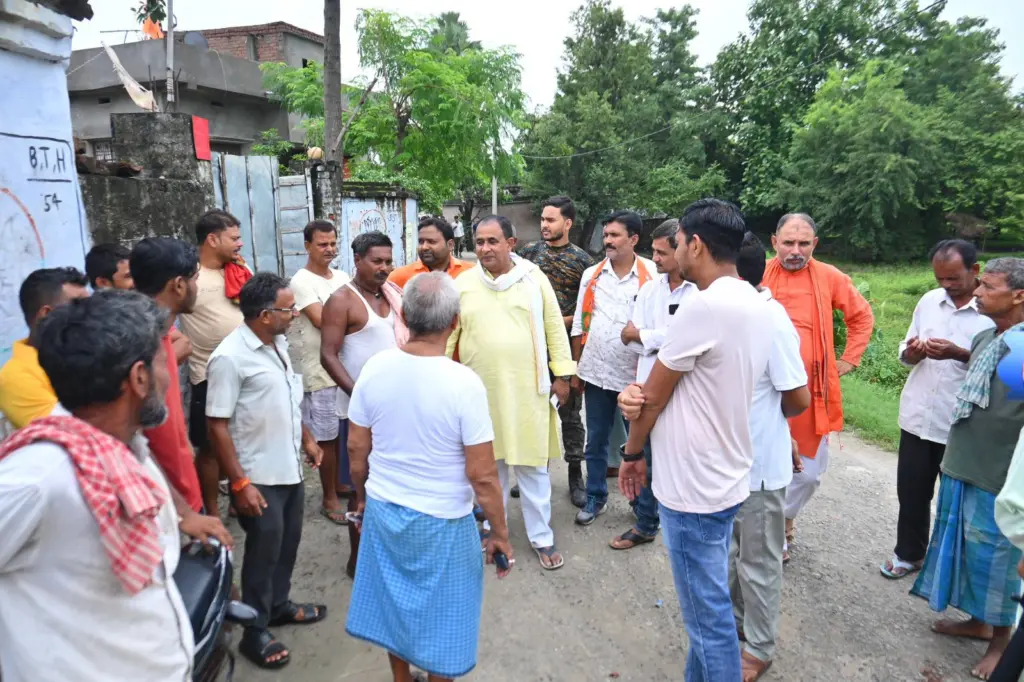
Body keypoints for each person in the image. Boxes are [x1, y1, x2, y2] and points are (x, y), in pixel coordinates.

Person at [0, 290, 230, 682]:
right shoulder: (38, 477)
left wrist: (182, 515)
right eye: (162, 360)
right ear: (139, 378)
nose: (169, 374)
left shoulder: (124, 445)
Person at [616, 199, 772, 682]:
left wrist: (632, 451)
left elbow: (653, 398)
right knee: (709, 608)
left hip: (692, 485)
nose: (674, 250)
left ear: (696, 244)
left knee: (708, 622)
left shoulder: (701, 306)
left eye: (678, 241)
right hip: (725, 473)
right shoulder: (754, 299)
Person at [346, 272, 514, 682]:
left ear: (403, 314)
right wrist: (500, 534)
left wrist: (363, 496)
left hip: (386, 510)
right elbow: (483, 475)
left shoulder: (375, 367)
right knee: (447, 612)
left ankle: (402, 678)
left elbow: (356, 448)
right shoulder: (464, 384)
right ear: (455, 322)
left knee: (394, 605)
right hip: (443, 520)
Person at [910, 257, 1024, 681]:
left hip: (997, 473)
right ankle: (978, 622)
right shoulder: (987, 337)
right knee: (969, 552)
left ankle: (1001, 640)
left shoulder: (1020, 351)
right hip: (963, 463)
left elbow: (1012, 414)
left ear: (1018, 295)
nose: (977, 292)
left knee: (997, 558)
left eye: (988, 287)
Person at [206, 272, 326, 670]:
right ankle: (253, 631)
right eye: (287, 309)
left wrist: (307, 438)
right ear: (263, 314)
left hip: (288, 466)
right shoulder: (229, 357)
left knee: (288, 542)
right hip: (258, 475)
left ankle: (278, 605)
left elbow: (288, 398)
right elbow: (217, 424)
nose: (294, 314)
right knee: (262, 552)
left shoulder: (276, 344)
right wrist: (239, 482)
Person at [448, 215, 575, 570]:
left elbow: (553, 327)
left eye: (492, 241)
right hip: (481, 390)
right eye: (479, 242)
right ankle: (492, 528)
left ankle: (541, 536)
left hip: (528, 391)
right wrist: (438, 373)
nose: (485, 248)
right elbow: (450, 333)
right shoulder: (463, 284)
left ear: (511, 243)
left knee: (532, 466)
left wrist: (563, 375)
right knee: (491, 465)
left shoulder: (534, 279)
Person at [763, 213, 874, 560]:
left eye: (803, 244)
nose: (796, 251)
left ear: (815, 245)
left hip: (811, 393)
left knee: (807, 474)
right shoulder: (759, 274)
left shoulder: (829, 277)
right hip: (765, 391)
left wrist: (850, 358)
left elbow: (861, 316)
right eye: (788, 243)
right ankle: (768, 534)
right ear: (774, 242)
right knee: (764, 464)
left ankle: (784, 519)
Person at [881, 240, 994, 580]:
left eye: (953, 278)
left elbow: (1002, 368)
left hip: (962, 422)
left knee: (959, 503)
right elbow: (905, 347)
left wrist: (959, 353)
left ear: (975, 271)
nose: (945, 285)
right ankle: (909, 554)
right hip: (918, 415)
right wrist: (912, 352)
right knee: (912, 492)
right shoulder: (929, 301)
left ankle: (953, 571)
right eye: (940, 278)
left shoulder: (992, 312)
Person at [729, 232, 810, 681]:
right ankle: (741, 626)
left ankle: (759, 647)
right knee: (735, 555)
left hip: (759, 465)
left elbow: (796, 397)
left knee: (758, 561)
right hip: (729, 464)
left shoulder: (769, 318)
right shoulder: (729, 313)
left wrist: (775, 429)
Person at [321, 230, 407, 579]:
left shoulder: (392, 295)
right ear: (357, 260)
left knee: (392, 487)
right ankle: (357, 562)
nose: (384, 268)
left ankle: (387, 554)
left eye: (388, 261)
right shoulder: (341, 300)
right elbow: (328, 355)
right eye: (377, 261)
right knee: (362, 490)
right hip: (358, 412)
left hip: (395, 411)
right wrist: (359, 395)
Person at [609, 219, 696, 549]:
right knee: (641, 453)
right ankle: (646, 523)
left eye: (662, 253)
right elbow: (627, 338)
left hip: (685, 393)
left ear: (683, 250)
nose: (655, 259)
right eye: (654, 252)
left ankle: (678, 522)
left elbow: (688, 340)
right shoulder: (649, 290)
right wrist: (655, 338)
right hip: (644, 390)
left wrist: (648, 336)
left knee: (676, 461)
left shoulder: (700, 291)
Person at [570, 210, 655, 526]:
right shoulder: (592, 274)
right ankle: (596, 496)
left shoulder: (653, 277)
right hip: (595, 373)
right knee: (596, 439)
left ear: (633, 239)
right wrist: (578, 368)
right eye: (605, 235)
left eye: (614, 235)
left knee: (639, 445)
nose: (607, 240)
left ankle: (641, 504)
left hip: (635, 380)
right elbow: (580, 321)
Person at [520, 195, 595, 508]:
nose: (544, 225)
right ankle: (536, 473)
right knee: (535, 411)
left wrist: (555, 322)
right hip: (531, 348)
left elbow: (587, 309)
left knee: (570, 414)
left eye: (551, 220)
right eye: (543, 219)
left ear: (568, 223)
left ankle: (575, 474)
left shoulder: (583, 262)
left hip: (564, 347)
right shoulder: (527, 255)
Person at [178, 209, 249, 518]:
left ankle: (239, 497)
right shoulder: (189, 276)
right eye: (234, 238)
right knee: (208, 448)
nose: (240, 244)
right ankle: (211, 512)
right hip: (207, 374)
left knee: (242, 439)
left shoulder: (238, 270)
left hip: (245, 369)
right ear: (212, 239)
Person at [130, 237, 205, 512]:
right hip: (162, 507)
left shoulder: (162, 338)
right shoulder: (139, 351)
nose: (198, 287)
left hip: (182, 495)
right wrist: (183, 511)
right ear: (179, 285)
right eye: (195, 279)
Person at [287, 220, 351, 525]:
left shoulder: (342, 276)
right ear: (307, 246)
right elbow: (322, 320)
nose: (329, 249)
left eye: (333, 243)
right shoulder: (301, 281)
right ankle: (329, 498)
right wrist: (352, 318)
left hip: (345, 366)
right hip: (320, 370)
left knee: (344, 433)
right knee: (326, 437)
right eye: (322, 244)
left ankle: (341, 484)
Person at [0, 267, 89, 428]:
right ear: (47, 314)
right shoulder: (16, 377)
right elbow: (74, 433)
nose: (91, 313)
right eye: (78, 305)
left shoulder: (85, 350)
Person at [388, 216, 473, 290]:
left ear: (450, 245)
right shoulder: (399, 277)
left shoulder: (471, 273)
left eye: (431, 242)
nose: (424, 247)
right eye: (421, 242)